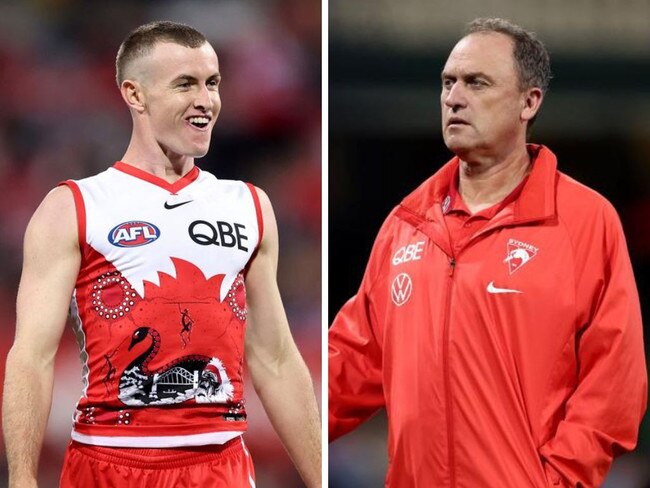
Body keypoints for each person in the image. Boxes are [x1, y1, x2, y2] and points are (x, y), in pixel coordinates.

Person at [328, 17, 647, 487]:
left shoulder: (583, 220)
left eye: (476, 82)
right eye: (447, 83)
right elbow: (352, 363)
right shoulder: (406, 224)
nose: (454, 97)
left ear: (528, 101)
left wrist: (557, 480)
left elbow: (615, 381)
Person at [3, 21, 321, 488]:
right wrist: (22, 478)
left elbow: (274, 357)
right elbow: (31, 356)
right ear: (135, 95)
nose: (206, 100)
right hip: (107, 461)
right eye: (185, 84)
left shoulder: (249, 206)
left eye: (212, 83)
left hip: (221, 465)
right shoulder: (75, 207)